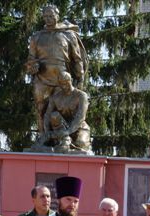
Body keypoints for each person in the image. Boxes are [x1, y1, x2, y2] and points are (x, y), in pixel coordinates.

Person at [27, 4, 87, 138]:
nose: (48, 19)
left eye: (51, 16)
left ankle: (63, 138)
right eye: (45, 16)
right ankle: (43, 137)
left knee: (60, 110)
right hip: (42, 79)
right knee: (41, 109)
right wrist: (32, 66)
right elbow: (31, 59)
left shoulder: (68, 35)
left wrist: (80, 77)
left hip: (62, 79)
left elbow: (77, 59)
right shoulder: (36, 37)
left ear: (57, 16)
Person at [39, 72, 90, 152]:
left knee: (81, 145)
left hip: (79, 128)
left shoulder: (81, 96)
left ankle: (68, 141)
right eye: (61, 84)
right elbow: (47, 115)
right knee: (54, 115)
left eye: (66, 82)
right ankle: (61, 142)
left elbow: (80, 116)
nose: (64, 86)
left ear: (71, 80)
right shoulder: (55, 98)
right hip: (61, 128)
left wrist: (68, 131)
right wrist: (47, 132)